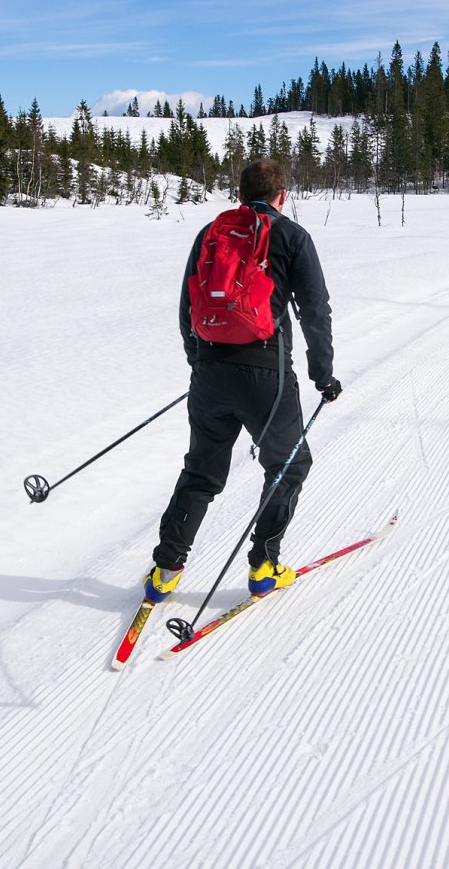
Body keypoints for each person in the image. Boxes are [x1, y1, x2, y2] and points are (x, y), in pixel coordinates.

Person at [145, 157, 341, 603]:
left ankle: (166, 571)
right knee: (289, 463)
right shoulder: (292, 236)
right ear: (283, 196)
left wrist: (199, 359)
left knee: (200, 472)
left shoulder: (212, 233)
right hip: (266, 375)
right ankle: (264, 564)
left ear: (239, 196)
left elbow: (187, 305)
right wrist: (322, 375)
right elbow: (315, 311)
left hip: (211, 370)